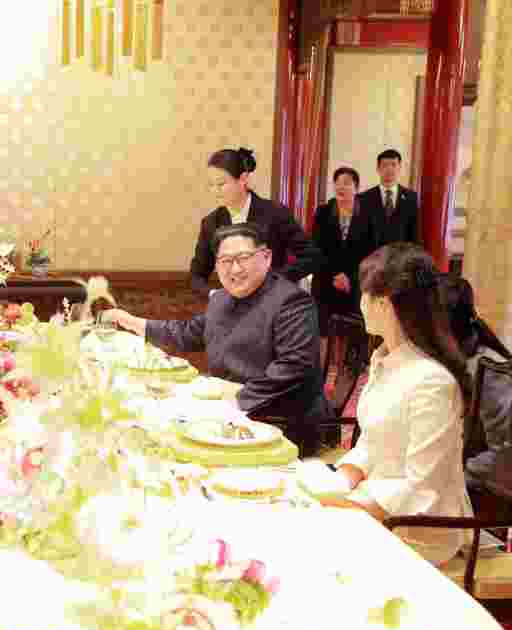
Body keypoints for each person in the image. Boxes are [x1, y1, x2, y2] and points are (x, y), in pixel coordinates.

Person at [107, 223, 330, 452]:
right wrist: (132, 322)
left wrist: (236, 397)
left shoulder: (291, 302)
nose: (234, 269)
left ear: (266, 257)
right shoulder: (221, 299)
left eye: (243, 258)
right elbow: (188, 332)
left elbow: (293, 367)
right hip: (228, 415)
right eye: (225, 261)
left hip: (281, 424)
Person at [328, 243, 472, 566]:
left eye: (366, 296)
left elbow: (423, 486)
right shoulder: (385, 359)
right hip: (379, 503)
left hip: (419, 525)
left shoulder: (432, 382)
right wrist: (341, 479)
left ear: (386, 303)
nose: (361, 304)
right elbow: (372, 441)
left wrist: (350, 506)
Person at [189, 147, 321, 296]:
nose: (215, 191)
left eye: (221, 184)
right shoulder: (211, 222)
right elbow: (196, 276)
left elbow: (312, 256)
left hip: (272, 302)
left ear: (243, 179)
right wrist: (214, 294)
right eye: (211, 185)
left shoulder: (275, 213)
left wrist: (274, 281)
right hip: (232, 308)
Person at [442, 275, 512, 489]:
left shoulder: (488, 371)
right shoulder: (449, 358)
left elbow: (503, 452)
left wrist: (456, 476)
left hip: (482, 485)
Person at [311, 166, 374, 363]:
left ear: (356, 187)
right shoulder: (323, 212)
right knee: (323, 330)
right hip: (326, 281)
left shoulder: (368, 214)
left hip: (355, 283)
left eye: (347, 183)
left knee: (352, 332)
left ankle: (348, 369)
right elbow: (316, 248)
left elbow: (371, 252)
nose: (341, 187)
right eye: (337, 183)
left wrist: (350, 277)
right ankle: (324, 369)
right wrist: (334, 275)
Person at [357, 149, 420, 249]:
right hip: (372, 256)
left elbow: (414, 232)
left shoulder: (411, 197)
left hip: (400, 257)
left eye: (393, 165)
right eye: (385, 165)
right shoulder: (364, 198)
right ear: (378, 168)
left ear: (399, 168)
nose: (389, 169)